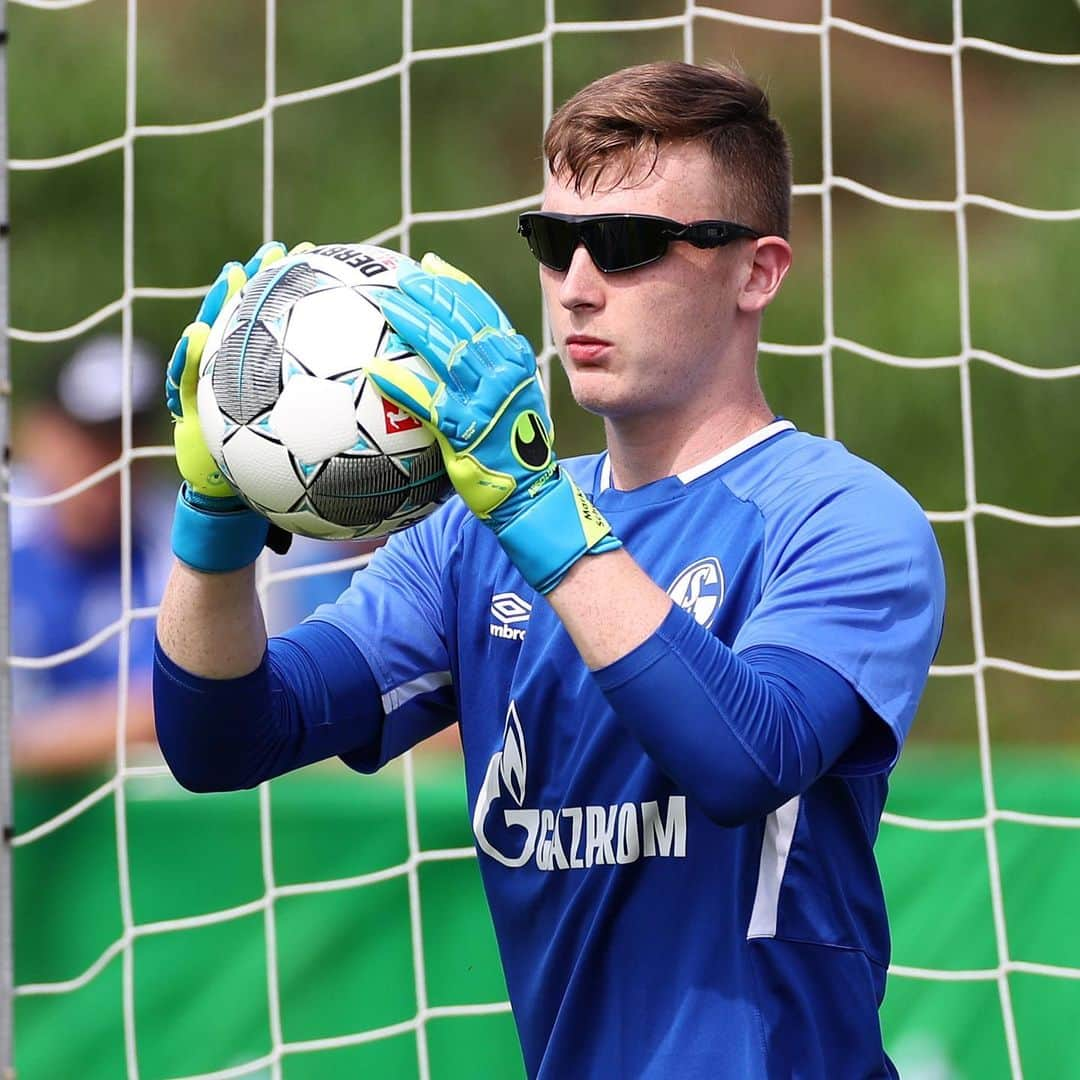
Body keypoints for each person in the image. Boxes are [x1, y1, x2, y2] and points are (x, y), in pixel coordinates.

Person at [154, 62, 945, 1079]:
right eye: (554, 239)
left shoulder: (841, 517)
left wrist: (538, 512)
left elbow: (745, 761)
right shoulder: (470, 537)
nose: (577, 284)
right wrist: (214, 519)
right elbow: (222, 738)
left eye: (626, 246)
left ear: (759, 270)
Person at [12, 334, 172, 774]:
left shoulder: (182, 546)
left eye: (130, 439)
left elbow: (181, 704)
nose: (112, 463)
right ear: (37, 434)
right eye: (92, 439)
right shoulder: (13, 537)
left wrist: (26, 743)